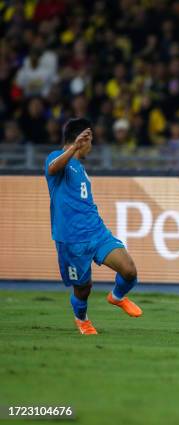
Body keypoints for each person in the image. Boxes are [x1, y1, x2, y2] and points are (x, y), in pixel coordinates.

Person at [44, 118, 142, 335]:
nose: (91, 146)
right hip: (71, 239)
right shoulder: (55, 158)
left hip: (96, 232)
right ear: (81, 139)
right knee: (83, 288)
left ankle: (116, 297)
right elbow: (52, 168)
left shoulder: (79, 167)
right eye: (90, 141)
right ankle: (82, 319)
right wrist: (73, 148)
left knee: (129, 270)